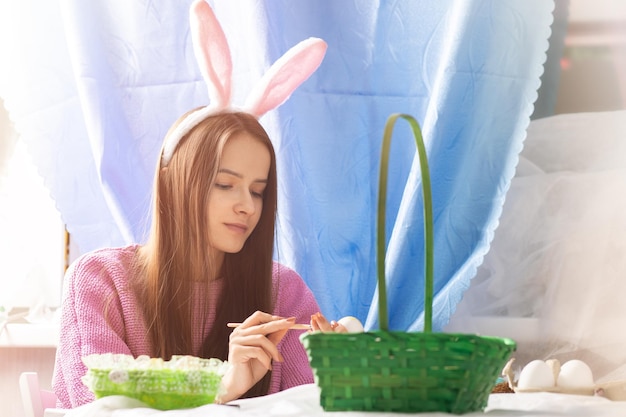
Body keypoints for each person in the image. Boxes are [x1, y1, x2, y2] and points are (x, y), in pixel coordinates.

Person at [52, 110, 331, 408]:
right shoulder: (100, 280)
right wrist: (219, 391)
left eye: (258, 191)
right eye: (225, 184)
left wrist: (337, 375)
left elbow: (315, 409)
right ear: (173, 181)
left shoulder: (285, 293)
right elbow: (99, 409)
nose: (248, 206)